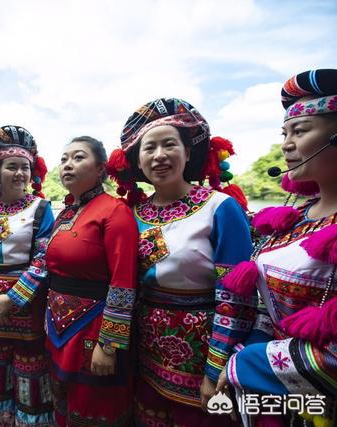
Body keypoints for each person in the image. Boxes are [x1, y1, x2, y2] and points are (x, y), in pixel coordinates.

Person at [107, 98, 254, 426]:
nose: (159, 155)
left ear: (188, 153)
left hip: (203, 359)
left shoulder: (220, 208)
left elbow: (238, 298)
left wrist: (216, 369)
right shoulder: (132, 214)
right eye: (149, 148)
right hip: (144, 354)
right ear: (139, 163)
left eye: (169, 144)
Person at [218, 69, 337, 426]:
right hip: (274, 393)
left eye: (299, 132)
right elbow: (266, 307)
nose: (286, 144)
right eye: (284, 133)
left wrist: (246, 363)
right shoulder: (295, 217)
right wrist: (245, 348)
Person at [44, 136, 138, 426]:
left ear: (101, 169)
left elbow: (123, 282)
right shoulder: (67, 213)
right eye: (64, 159)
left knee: (94, 405)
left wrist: (108, 344)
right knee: (63, 401)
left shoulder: (114, 210)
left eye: (78, 157)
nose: (68, 165)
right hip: (59, 328)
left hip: (94, 330)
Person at [0, 125, 55, 426]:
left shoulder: (41, 209)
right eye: (12, 167)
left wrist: (12, 299)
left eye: (25, 167)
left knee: (29, 372)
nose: (20, 173)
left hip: (26, 307)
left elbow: (44, 257)